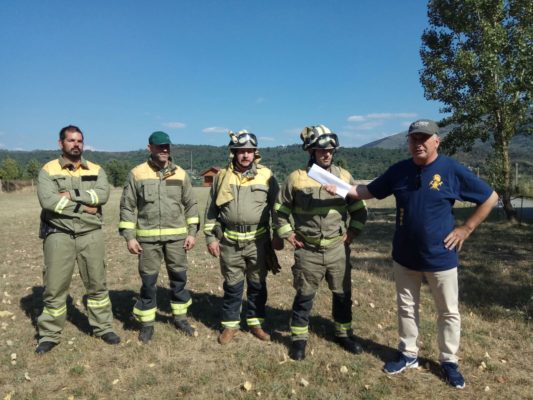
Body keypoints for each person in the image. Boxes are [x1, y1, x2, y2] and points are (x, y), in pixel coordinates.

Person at [324, 119, 498, 389]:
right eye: (413, 139)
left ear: (436, 141)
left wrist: (466, 228)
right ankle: (408, 354)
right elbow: (366, 191)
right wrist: (340, 187)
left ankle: (449, 361)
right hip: (405, 256)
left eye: (424, 138)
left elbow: (490, 197)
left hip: (441, 256)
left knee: (448, 312)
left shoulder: (451, 169)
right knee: (406, 307)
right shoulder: (400, 170)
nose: (418, 143)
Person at [274, 124, 368, 360]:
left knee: (342, 294)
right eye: (321, 150)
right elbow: (280, 210)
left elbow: (359, 209)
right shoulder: (296, 178)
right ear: (311, 151)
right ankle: (298, 339)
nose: (327, 154)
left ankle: (343, 334)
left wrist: (352, 233)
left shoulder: (344, 177)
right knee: (304, 295)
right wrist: (288, 234)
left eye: (330, 150)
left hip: (337, 249)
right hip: (308, 251)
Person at [35, 125, 121, 354]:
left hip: (90, 235)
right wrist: (84, 207)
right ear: (61, 143)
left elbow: (102, 195)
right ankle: (49, 334)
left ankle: (103, 328)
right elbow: (49, 201)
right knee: (54, 287)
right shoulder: (48, 170)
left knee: (97, 284)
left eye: (79, 141)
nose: (76, 144)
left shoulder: (96, 169)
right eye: (71, 140)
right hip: (58, 234)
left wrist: (71, 195)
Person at [119, 131, 200, 343]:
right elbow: (127, 207)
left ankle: (180, 318)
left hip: (177, 239)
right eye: (159, 146)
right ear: (150, 148)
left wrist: (192, 233)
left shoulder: (180, 174)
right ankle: (147, 324)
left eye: (167, 146)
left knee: (179, 280)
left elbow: (191, 204)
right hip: (148, 241)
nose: (164, 149)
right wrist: (129, 237)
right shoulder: (137, 174)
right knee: (148, 283)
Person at [204, 130, 280, 344]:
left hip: (258, 242)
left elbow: (277, 207)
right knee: (232, 285)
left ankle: (256, 324)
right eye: (241, 151)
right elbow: (211, 210)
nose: (245, 155)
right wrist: (210, 238)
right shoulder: (221, 177)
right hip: (230, 242)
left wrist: (278, 234)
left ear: (255, 153)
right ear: (233, 153)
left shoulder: (266, 175)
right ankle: (230, 326)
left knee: (257, 285)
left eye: (249, 151)